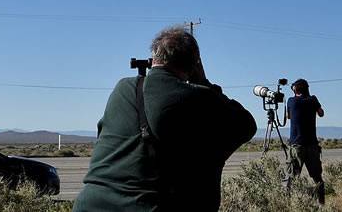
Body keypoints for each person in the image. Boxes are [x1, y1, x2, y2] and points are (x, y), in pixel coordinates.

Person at [73, 27, 256, 211]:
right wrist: (205, 83)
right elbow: (246, 125)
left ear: (154, 58)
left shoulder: (123, 88)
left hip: (90, 204)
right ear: (194, 66)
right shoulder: (195, 98)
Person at [286, 78, 325, 204]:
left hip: (297, 144)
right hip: (312, 144)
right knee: (317, 177)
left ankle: (288, 202)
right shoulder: (313, 100)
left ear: (295, 89)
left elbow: (288, 117)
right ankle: (321, 203)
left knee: (292, 177)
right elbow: (321, 113)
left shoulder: (291, 101)